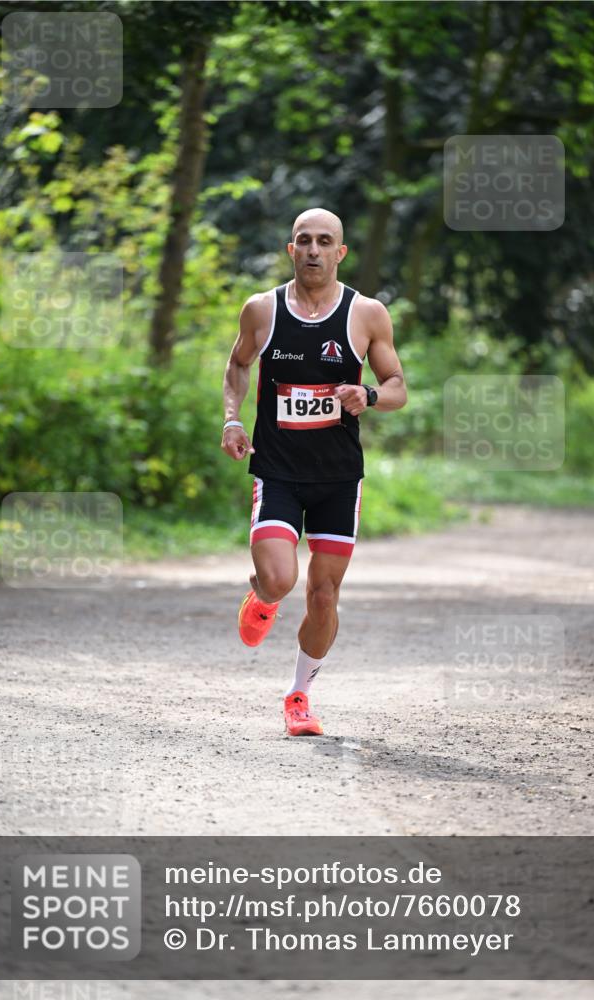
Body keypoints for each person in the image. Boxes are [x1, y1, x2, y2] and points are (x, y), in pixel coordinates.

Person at [221, 207, 407, 736]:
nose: (313, 250)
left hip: (338, 478)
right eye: (304, 240)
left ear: (340, 252)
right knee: (280, 580)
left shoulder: (367, 314)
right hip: (277, 470)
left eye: (325, 241)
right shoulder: (262, 309)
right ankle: (261, 596)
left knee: (324, 597)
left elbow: (397, 386)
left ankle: (299, 694)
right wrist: (233, 420)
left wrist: (367, 394)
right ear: (290, 249)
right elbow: (238, 364)